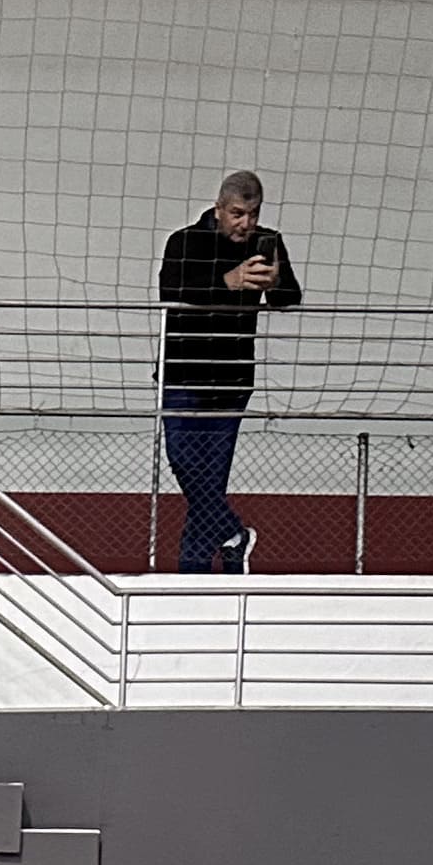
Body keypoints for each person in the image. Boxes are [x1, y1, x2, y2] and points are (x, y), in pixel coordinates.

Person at [155, 169, 301, 573]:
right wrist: (229, 281)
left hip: (233, 378)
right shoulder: (184, 241)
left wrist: (277, 281)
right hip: (183, 372)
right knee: (183, 461)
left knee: (210, 479)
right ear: (218, 209)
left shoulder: (267, 242)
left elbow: (290, 297)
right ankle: (234, 533)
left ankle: (195, 570)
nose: (246, 224)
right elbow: (174, 291)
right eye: (237, 213)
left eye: (253, 214)